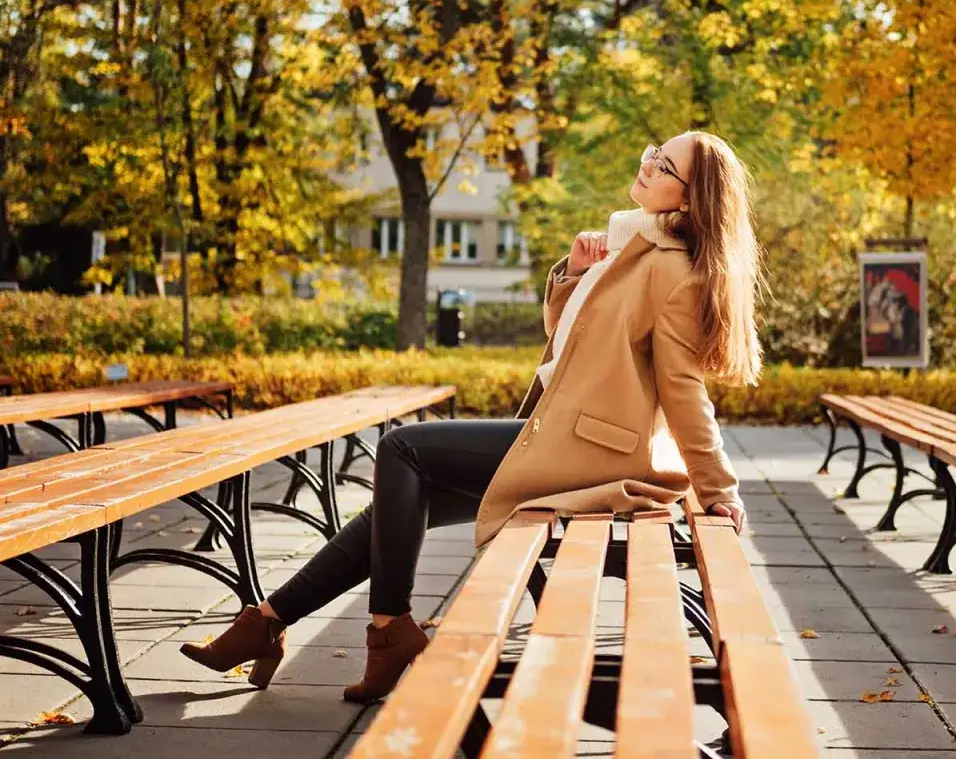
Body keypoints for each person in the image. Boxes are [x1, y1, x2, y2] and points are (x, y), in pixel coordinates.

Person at [180, 131, 762, 702]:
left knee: (402, 449)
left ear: (688, 197)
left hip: (592, 450)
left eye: (665, 167)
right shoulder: (630, 245)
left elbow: (683, 388)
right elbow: (571, 344)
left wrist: (718, 489)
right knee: (402, 503)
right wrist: (576, 276)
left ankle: (386, 627)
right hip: (567, 436)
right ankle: (268, 622)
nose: (648, 165)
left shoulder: (674, 271)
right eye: (652, 153)